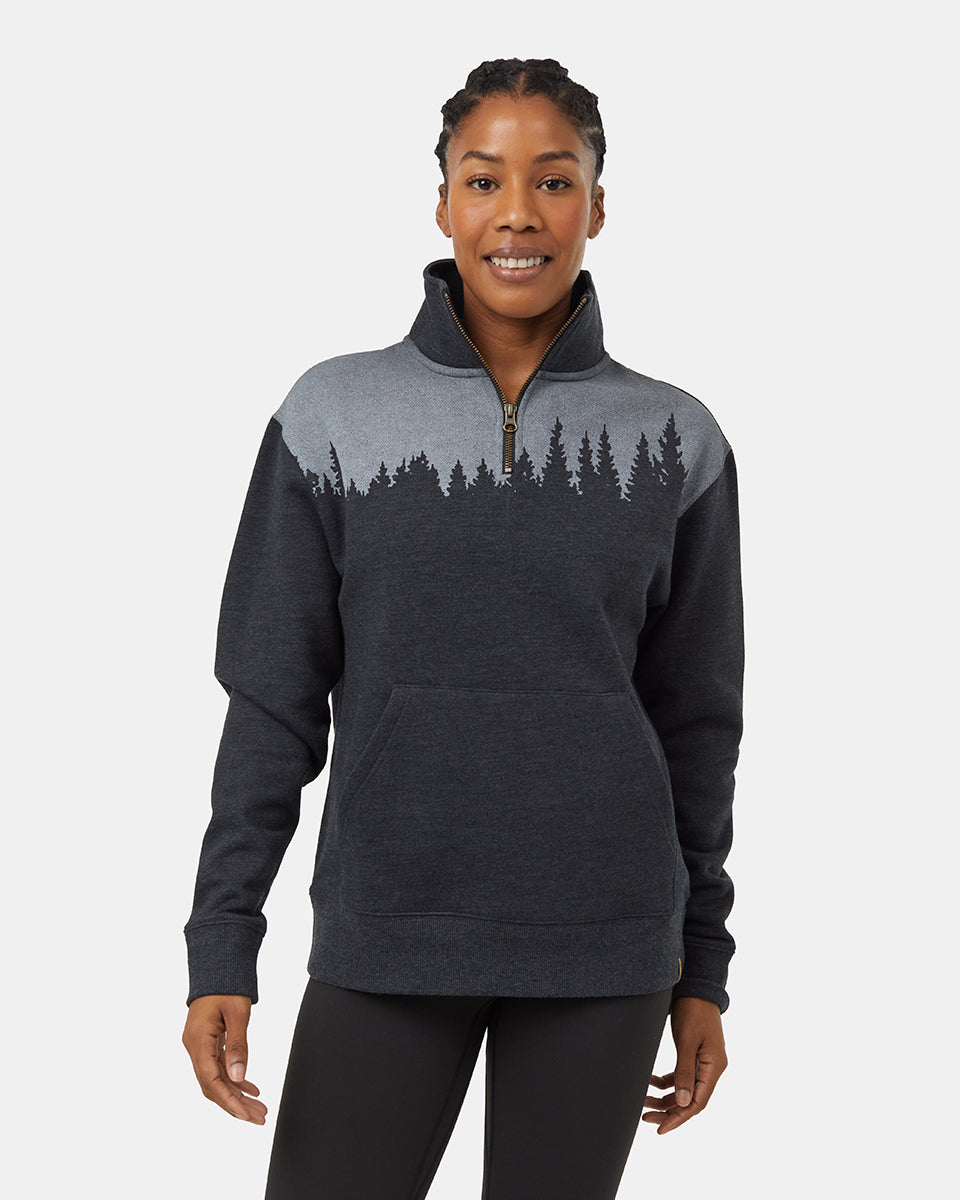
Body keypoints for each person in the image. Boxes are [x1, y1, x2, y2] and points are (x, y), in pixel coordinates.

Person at [181, 57, 745, 1200]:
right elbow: (270, 698)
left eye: (554, 180)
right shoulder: (333, 415)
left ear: (598, 206)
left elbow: (698, 723)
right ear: (442, 204)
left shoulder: (677, 439)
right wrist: (222, 939)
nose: (518, 214)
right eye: (484, 181)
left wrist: (705, 971)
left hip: (606, 942)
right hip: (390, 924)